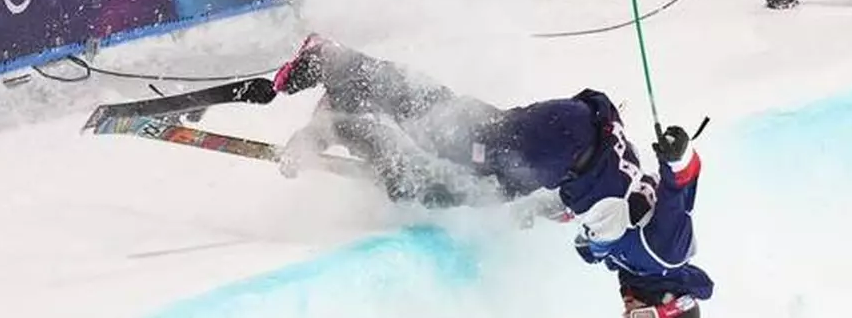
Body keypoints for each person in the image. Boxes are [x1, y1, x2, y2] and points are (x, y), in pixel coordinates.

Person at [273, 34, 712, 317]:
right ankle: (335, 63)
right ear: (666, 306)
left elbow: (602, 205)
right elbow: (682, 189)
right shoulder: (666, 257)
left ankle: (344, 121)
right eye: (637, 317)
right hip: (563, 142)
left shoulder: (633, 264)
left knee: (443, 189)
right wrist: (679, 156)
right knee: (455, 139)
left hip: (563, 153)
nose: (625, 309)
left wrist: (542, 209)